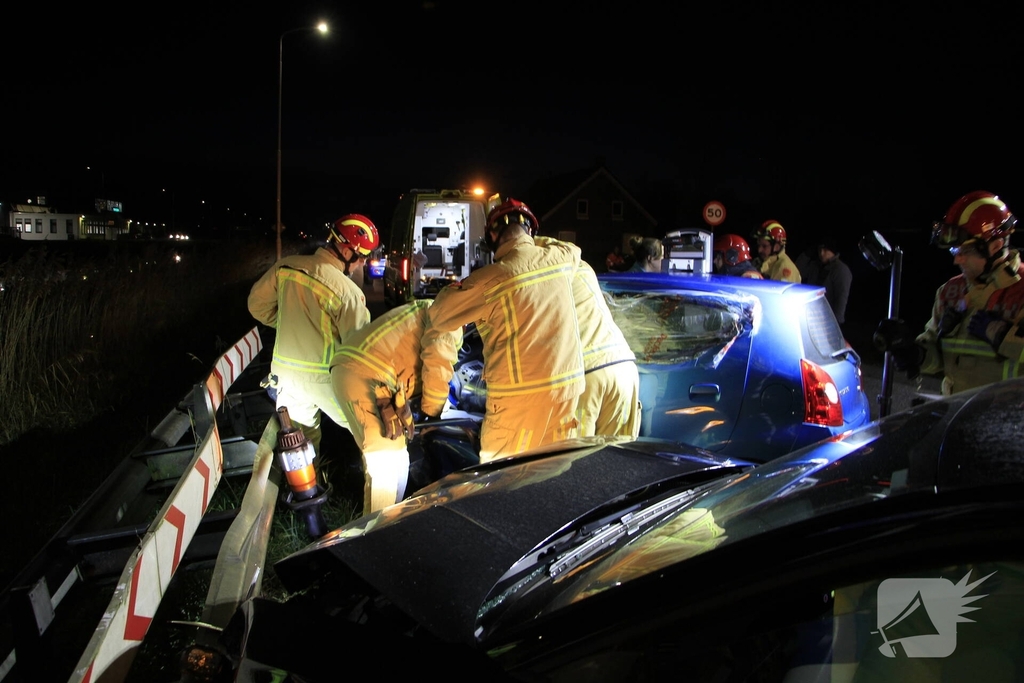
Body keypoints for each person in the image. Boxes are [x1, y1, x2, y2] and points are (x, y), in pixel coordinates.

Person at [420, 198, 584, 462]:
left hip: (518, 403)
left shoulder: (492, 279)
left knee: (499, 482)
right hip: (567, 393)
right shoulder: (562, 258)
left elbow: (439, 315)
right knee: (553, 474)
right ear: (531, 230)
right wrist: (531, 243)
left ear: (492, 237)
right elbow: (572, 249)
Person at [247, 213, 379, 453]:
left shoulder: (285, 267)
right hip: (326, 380)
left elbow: (256, 305)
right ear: (347, 251)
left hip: (285, 378)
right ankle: (378, 488)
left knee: (301, 444)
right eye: (362, 257)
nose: (362, 264)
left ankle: (307, 488)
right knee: (374, 432)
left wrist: (289, 323)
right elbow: (358, 350)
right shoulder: (348, 292)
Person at [881, 190, 1024, 396]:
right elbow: (937, 355)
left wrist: (1002, 335)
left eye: (965, 252)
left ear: (995, 246)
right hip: (957, 415)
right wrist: (915, 354)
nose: (957, 260)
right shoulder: (950, 292)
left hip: (1006, 423)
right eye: (955, 251)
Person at [330, 299, 463, 514]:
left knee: (398, 462)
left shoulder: (433, 307)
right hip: (368, 376)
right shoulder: (451, 315)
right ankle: (372, 539)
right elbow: (438, 364)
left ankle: (383, 526)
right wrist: (432, 414)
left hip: (360, 371)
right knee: (386, 466)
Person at [538, 237, 640, 437]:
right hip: (624, 369)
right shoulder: (583, 267)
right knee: (617, 458)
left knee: (578, 461)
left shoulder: (540, 272)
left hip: (587, 375)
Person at [816, 239, 852, 325]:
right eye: (819, 250)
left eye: (825, 250)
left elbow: (841, 297)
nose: (821, 253)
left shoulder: (840, 269)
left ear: (832, 251)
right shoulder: (817, 266)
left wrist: (836, 323)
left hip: (830, 322)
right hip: (816, 318)